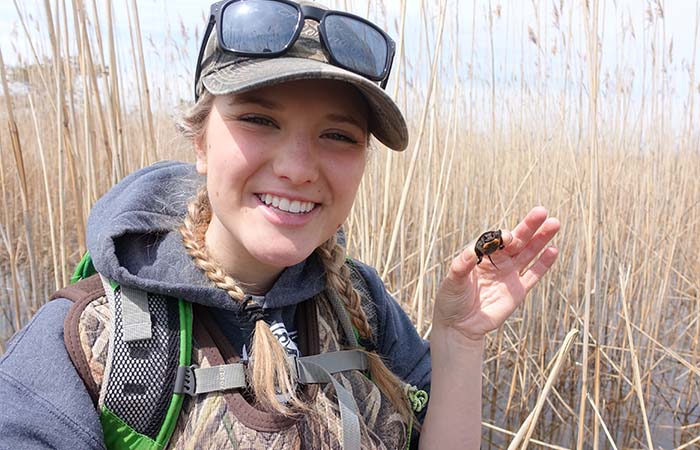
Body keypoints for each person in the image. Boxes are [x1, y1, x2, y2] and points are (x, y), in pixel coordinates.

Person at [0, 0, 560, 449]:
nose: (296, 168)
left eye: (338, 135)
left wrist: (459, 341)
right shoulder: (92, 340)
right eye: (259, 120)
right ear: (200, 139)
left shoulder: (364, 309)